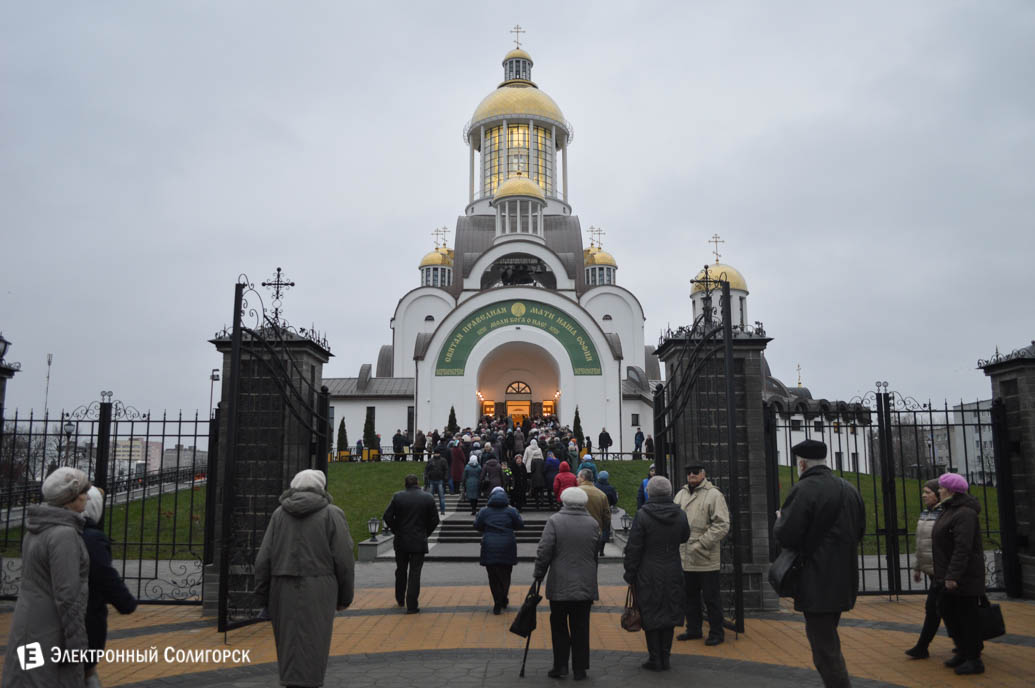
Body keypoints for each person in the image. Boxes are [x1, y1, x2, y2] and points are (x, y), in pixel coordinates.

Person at [774, 440, 865, 688]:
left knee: (824, 649)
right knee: (828, 637)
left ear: (801, 463)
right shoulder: (849, 489)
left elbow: (787, 535)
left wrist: (780, 520)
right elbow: (859, 531)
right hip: (844, 577)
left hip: (816, 579)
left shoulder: (803, 489)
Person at [254, 469, 355, 688]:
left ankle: (291, 681)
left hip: (282, 586)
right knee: (314, 640)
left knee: (288, 641)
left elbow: (263, 559)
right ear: (321, 487)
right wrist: (345, 597)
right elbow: (344, 559)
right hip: (320, 588)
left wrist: (262, 597)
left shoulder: (279, 514)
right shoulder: (332, 514)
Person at [2, 467, 91, 688]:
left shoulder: (36, 529)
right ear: (70, 498)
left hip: (29, 623)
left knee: (25, 679)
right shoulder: (64, 534)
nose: (87, 497)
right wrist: (77, 643)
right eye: (83, 492)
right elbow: (67, 594)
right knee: (45, 681)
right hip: (50, 630)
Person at [533, 487, 600, 680]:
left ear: (564, 501)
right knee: (581, 626)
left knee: (559, 626)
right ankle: (580, 668)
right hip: (585, 583)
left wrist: (539, 573)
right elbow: (594, 551)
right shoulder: (593, 523)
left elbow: (544, 550)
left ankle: (560, 665)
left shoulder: (555, 521)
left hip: (560, 583)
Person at [623, 476, 690, 671]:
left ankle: (655, 658)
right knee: (669, 610)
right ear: (669, 492)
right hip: (673, 567)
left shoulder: (643, 515)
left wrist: (630, 573)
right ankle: (666, 656)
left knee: (650, 611)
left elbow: (634, 547)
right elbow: (685, 536)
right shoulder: (680, 514)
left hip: (648, 569)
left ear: (649, 492)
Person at [82, 487, 137, 688]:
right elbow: (104, 574)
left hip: (39, 618)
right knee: (83, 670)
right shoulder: (91, 538)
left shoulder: (39, 531)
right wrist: (126, 602)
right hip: (83, 614)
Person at [932, 472, 985, 675]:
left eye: (941, 487)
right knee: (948, 610)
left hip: (964, 577)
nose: (938, 490)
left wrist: (953, 575)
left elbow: (963, 548)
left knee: (967, 616)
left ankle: (974, 659)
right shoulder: (949, 509)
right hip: (949, 574)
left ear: (950, 491)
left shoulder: (964, 513)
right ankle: (963, 651)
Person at [674, 464, 730, 645]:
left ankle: (716, 632)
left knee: (711, 598)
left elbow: (722, 525)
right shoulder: (680, 494)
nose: (691, 475)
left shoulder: (714, 495)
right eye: (688, 472)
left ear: (703, 474)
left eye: (695, 472)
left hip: (705, 555)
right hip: (685, 555)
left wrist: (702, 543)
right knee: (689, 596)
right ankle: (693, 629)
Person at [383, 474, 440, 613]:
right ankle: (412, 604)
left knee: (401, 570)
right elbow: (435, 520)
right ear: (418, 483)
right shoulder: (427, 497)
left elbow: (387, 516)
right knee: (415, 573)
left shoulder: (398, 497)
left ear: (405, 484)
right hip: (419, 540)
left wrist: (397, 529)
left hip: (401, 539)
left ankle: (400, 598)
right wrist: (425, 532)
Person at [905, 479, 945, 660]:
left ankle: (922, 646)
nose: (923, 495)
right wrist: (918, 567)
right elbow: (921, 543)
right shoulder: (926, 513)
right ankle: (969, 644)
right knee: (946, 610)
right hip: (931, 570)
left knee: (934, 608)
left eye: (927, 492)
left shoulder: (945, 514)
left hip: (943, 572)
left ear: (938, 494)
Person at [474, 486, 524, 614]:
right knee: (506, 574)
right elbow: (520, 525)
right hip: (507, 544)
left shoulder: (484, 511)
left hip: (489, 544)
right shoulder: (511, 510)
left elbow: (477, 525)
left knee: (493, 576)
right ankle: (503, 597)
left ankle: (497, 601)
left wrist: (487, 529)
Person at [577, 469, 610, 557]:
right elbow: (607, 516)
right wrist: (602, 529)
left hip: (578, 532)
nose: (577, 479)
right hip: (595, 532)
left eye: (578, 477)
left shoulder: (576, 492)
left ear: (583, 478)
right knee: (593, 559)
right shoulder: (602, 495)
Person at [425, 450, 448, 515]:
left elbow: (446, 469)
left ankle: (442, 510)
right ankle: (431, 510)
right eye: (435, 453)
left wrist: (445, 477)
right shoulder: (431, 460)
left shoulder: (442, 460)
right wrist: (427, 476)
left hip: (439, 480)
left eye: (437, 453)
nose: (436, 454)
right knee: (432, 497)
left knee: (441, 497)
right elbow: (426, 469)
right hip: (432, 480)